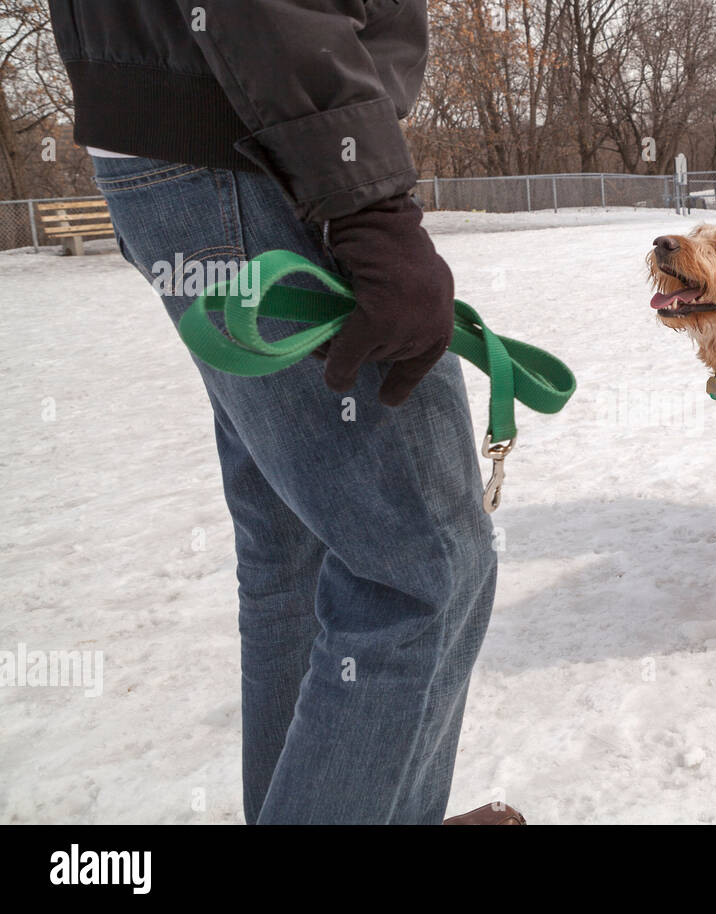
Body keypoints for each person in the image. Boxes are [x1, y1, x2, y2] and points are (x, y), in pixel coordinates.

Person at [49, 1, 519, 825]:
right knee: (423, 565)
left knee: (294, 553)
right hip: (258, 141)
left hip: (195, 139)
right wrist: (366, 206)